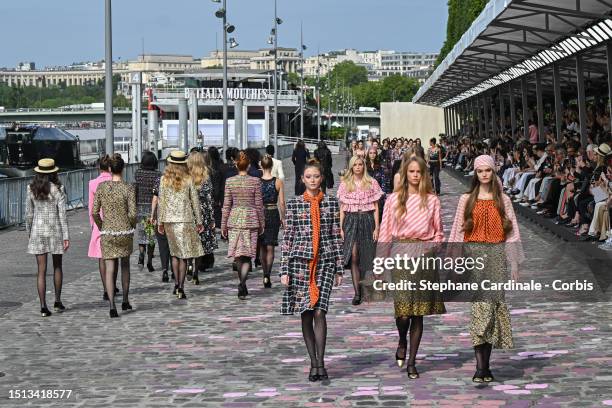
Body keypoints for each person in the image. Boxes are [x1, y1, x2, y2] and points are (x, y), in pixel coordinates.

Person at [449, 155, 523, 383]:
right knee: (480, 309)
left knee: (492, 309)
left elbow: (512, 234)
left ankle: (485, 366)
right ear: (475, 173)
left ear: (493, 172)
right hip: (474, 258)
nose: (483, 174)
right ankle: (481, 367)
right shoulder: (467, 199)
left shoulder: (503, 200)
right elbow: (457, 232)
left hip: (497, 257)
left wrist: (513, 263)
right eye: (479, 171)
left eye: (487, 170)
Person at [376, 156, 445, 379]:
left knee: (419, 313)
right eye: (412, 171)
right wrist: (380, 263)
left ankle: (412, 361)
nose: (415, 175)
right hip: (401, 255)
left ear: (424, 175)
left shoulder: (432, 200)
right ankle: (401, 339)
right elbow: (385, 233)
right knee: (404, 311)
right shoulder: (393, 199)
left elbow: (439, 232)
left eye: (419, 172)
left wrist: (432, 247)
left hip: (424, 256)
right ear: (405, 174)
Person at [280, 159, 343, 382]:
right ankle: (313, 363)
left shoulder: (332, 203)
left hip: (325, 262)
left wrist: (339, 267)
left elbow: (336, 235)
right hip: (300, 263)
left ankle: (322, 361)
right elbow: (288, 238)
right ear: (302, 179)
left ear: (322, 177)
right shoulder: (294, 204)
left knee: (320, 311)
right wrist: (284, 269)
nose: (313, 180)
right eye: (309, 177)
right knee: (306, 312)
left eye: (316, 176)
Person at [92, 154, 137, 318]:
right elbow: (133, 213)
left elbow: (94, 211)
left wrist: (101, 225)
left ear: (110, 169)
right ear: (123, 169)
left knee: (110, 269)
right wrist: (131, 225)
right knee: (125, 266)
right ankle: (125, 299)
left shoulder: (102, 187)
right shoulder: (128, 188)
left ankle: (112, 305)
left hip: (108, 232)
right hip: (124, 231)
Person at [157, 151, 205, 300]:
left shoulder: (164, 179)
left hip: (170, 221)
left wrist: (160, 222)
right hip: (185, 220)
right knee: (184, 256)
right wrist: (199, 221)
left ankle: (176, 284)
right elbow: (195, 202)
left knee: (174, 254)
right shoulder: (189, 179)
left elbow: (161, 202)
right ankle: (181, 288)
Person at [26, 158, 70, 317]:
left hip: (38, 232)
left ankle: (43, 306)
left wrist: (29, 233)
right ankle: (57, 301)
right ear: (53, 171)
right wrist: (66, 235)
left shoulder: (31, 189)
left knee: (41, 271)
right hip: (55, 230)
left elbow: (29, 215)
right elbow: (63, 215)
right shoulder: (58, 189)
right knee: (57, 266)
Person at [337, 155, 383, 305]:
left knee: (365, 256)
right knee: (354, 255)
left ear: (364, 166)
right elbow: (343, 207)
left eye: (360, 164)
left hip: (367, 219)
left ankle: (363, 287)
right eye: (355, 164)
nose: (358, 167)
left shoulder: (371, 182)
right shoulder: (345, 184)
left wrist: (377, 227)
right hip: (350, 220)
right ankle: (357, 293)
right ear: (351, 167)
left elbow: (376, 206)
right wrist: (341, 227)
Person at [221, 151, 265, 299]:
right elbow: (259, 204)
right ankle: (243, 283)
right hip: (251, 219)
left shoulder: (230, 181)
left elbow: (226, 205)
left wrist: (223, 225)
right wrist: (262, 222)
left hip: (234, 219)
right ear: (249, 165)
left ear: (236, 164)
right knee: (248, 256)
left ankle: (242, 282)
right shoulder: (255, 181)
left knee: (239, 255)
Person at [88, 155, 117, 300]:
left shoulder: (92, 183)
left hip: (99, 223)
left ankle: (106, 288)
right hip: (114, 222)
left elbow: (91, 207)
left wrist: (92, 224)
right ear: (111, 167)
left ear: (99, 167)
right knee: (113, 255)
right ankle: (113, 284)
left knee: (101, 256)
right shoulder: (115, 181)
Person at [188, 151, 218, 285]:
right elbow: (209, 199)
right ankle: (195, 271)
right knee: (200, 244)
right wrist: (212, 219)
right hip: (204, 214)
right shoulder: (206, 178)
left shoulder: (186, 177)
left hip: (189, 213)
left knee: (189, 242)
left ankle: (188, 263)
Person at [259, 155, 286, 288]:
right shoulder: (278, 182)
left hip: (260, 213)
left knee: (262, 246)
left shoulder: (256, 182)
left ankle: (264, 272)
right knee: (271, 247)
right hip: (273, 212)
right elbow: (281, 202)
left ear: (261, 166)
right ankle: (267, 274)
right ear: (272, 166)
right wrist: (283, 217)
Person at [134, 151, 160, 272]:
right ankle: (149, 261)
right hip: (152, 209)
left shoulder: (138, 173)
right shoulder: (158, 175)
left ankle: (141, 255)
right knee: (151, 236)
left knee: (142, 233)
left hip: (140, 207)